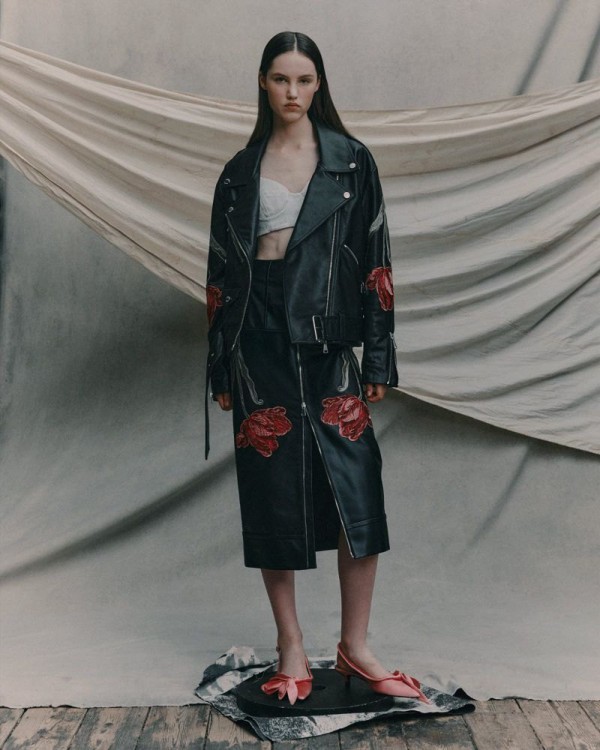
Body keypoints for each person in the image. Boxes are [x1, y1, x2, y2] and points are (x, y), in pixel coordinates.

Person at [204, 31, 429, 706]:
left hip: (329, 340)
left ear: (319, 84)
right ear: (263, 83)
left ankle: (356, 647)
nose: (293, 92)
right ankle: (291, 647)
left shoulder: (351, 162)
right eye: (281, 79)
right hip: (257, 340)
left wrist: (378, 354)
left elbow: (377, 260)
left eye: (304, 80)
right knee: (271, 489)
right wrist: (219, 367)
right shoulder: (240, 172)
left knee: (356, 487)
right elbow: (219, 275)